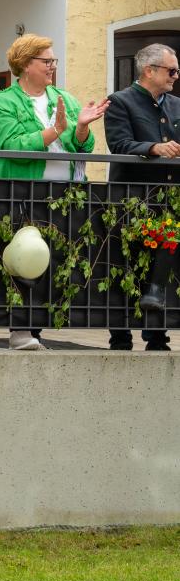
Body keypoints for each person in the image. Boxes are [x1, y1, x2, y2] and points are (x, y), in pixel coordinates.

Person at [0, 33, 108, 350]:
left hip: (64, 194)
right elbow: (10, 146)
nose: (53, 66)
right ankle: (20, 331)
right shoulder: (4, 101)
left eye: (53, 60)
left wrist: (81, 128)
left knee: (55, 260)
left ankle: (37, 330)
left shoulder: (64, 99)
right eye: (46, 61)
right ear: (26, 65)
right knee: (24, 260)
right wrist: (53, 131)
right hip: (23, 192)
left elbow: (82, 149)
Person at [104, 43, 180, 351]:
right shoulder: (120, 101)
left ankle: (157, 337)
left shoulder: (176, 104)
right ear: (149, 71)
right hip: (132, 199)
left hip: (170, 198)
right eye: (171, 70)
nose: (176, 76)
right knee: (127, 268)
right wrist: (153, 148)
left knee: (159, 272)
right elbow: (119, 144)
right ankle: (120, 337)